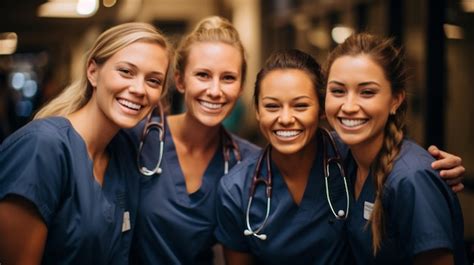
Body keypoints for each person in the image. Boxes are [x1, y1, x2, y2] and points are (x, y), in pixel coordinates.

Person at [214, 48, 466, 265]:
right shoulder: (236, 189)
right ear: (257, 111)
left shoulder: (351, 156)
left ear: (321, 109)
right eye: (271, 106)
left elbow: (403, 167)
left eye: (301, 105)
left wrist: (429, 171)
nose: (286, 118)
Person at [0, 22, 172, 265]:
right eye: (126, 71)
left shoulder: (123, 151)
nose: (138, 89)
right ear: (93, 71)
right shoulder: (42, 147)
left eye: (153, 81)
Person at [324, 33, 468, 264]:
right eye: (338, 91)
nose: (349, 106)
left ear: (396, 100)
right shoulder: (341, 154)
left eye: (367, 92)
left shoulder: (411, 179)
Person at [129, 16, 260, 265]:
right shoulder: (137, 140)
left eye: (228, 78)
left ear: (241, 86)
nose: (215, 90)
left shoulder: (249, 163)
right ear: (180, 81)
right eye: (203, 75)